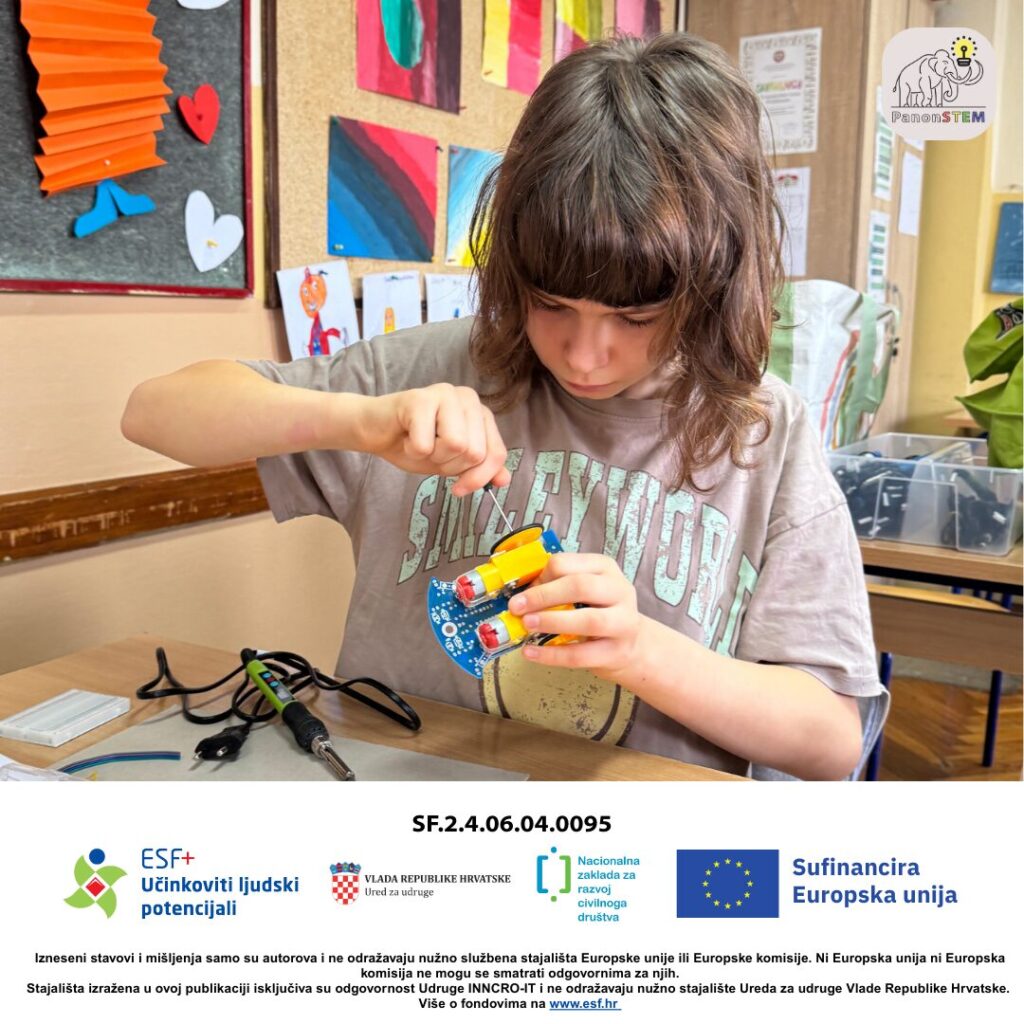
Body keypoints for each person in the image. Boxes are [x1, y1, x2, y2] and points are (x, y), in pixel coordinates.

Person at [122, 33, 881, 780]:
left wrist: (640, 651)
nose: (583, 356)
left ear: (713, 288)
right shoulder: (433, 370)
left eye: (636, 318)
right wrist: (364, 422)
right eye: (551, 304)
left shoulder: (763, 433)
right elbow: (153, 413)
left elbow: (829, 741)